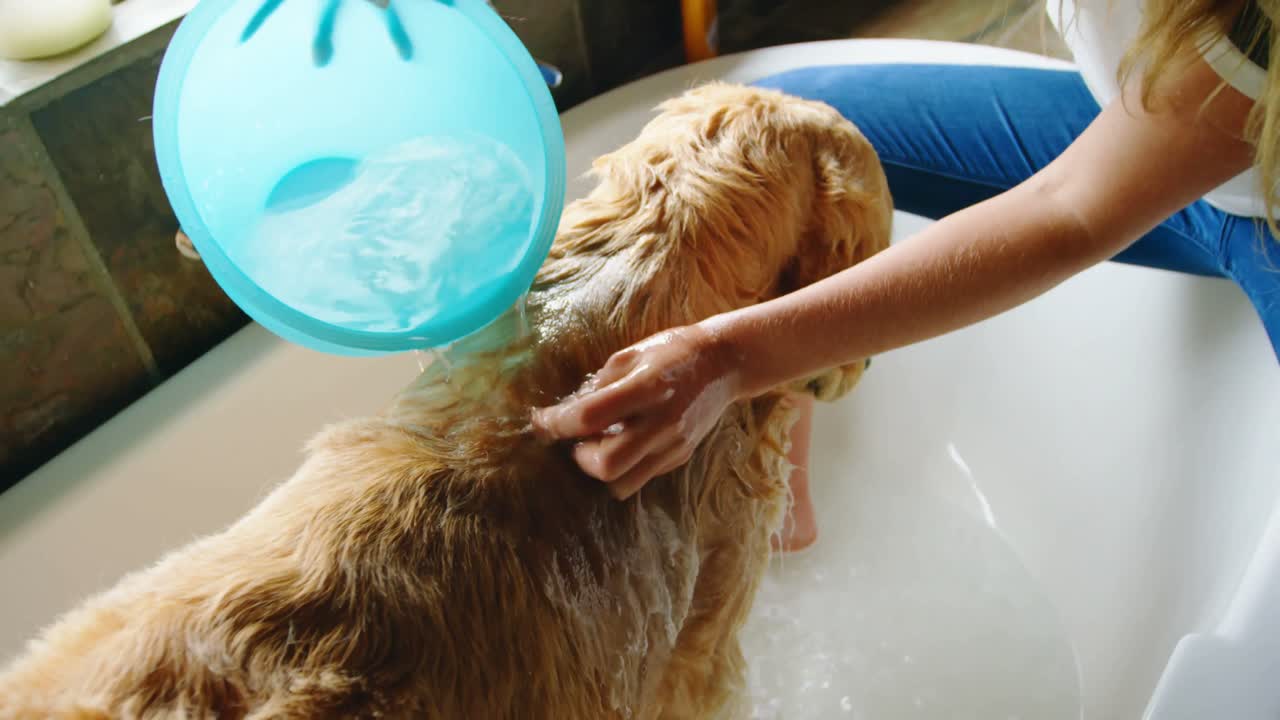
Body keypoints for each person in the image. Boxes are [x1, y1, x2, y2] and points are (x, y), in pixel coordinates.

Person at [532, 0, 1280, 552]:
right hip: (1144, 130)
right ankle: (781, 517)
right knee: (792, 133)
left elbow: (1074, 211)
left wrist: (728, 356)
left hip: (1264, 208)